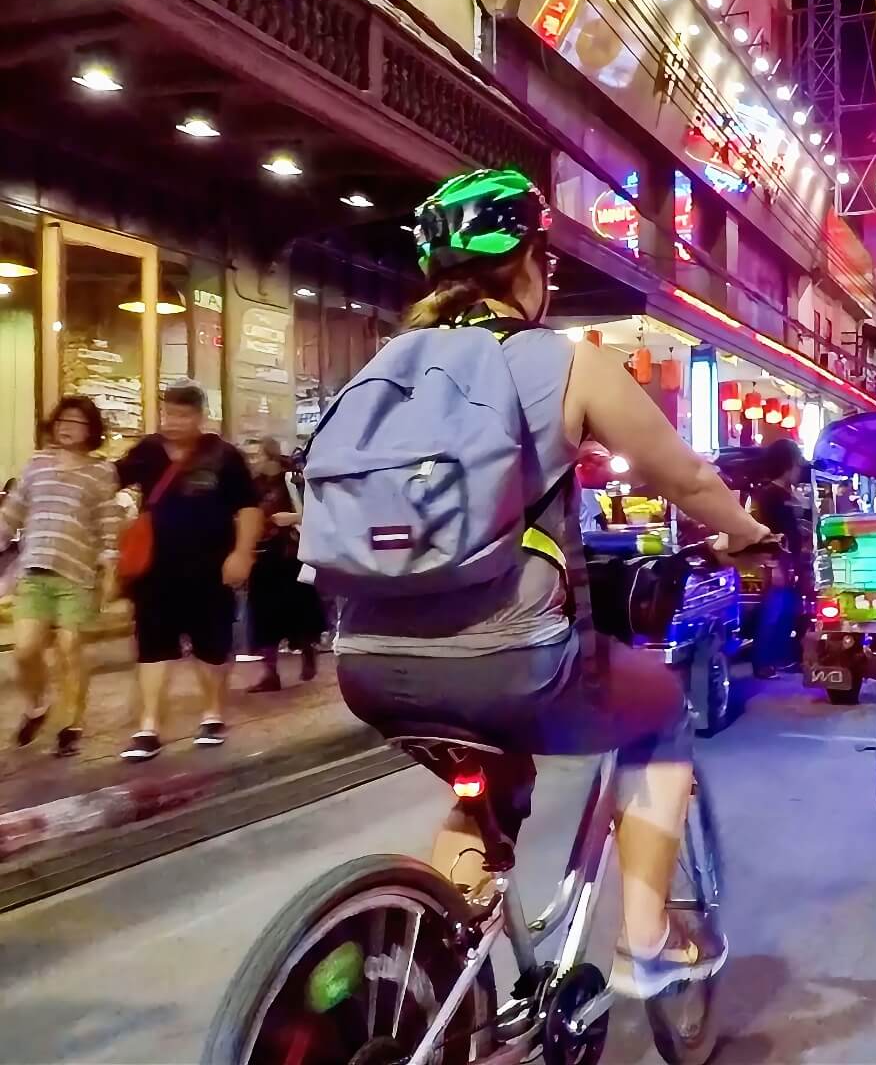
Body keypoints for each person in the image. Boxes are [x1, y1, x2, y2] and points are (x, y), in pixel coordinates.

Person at [329, 168, 771, 1000]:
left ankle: (435, 991)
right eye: (548, 262)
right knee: (661, 710)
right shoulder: (563, 363)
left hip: (365, 659)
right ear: (530, 261)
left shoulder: (380, 369)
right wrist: (748, 532)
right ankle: (646, 940)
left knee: (487, 790)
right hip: (509, 661)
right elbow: (686, 479)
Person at [115, 383, 261, 759]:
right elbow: (109, 480)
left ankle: (212, 714)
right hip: (155, 569)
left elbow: (247, 508)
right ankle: (148, 727)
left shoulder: (223, 455)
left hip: (210, 568)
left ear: (199, 417)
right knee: (151, 646)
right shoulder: (147, 451)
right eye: (168, 413)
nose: (173, 421)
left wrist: (241, 554)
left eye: (182, 415)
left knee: (211, 647)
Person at [0, 397, 122, 757]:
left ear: (92, 430)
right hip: (35, 569)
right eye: (62, 420)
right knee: (24, 650)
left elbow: (108, 524)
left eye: (78, 422)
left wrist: (110, 568)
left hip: (77, 574)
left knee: (70, 648)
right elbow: (12, 513)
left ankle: (72, 723)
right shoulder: (37, 463)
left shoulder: (100, 472)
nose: (68, 427)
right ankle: (37, 706)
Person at [241, 436, 325, 692]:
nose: (253, 461)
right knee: (263, 613)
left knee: (298, 609)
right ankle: (270, 672)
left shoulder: (295, 478)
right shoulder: (251, 486)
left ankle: (307, 648)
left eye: (257, 456)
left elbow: (322, 509)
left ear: (271, 456)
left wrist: (293, 517)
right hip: (263, 555)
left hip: (292, 554)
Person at [748, 438, 806, 679]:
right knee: (774, 611)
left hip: (789, 560)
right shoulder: (770, 495)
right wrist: (775, 564)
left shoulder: (784, 494)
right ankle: (763, 662)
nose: (799, 470)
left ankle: (781, 658)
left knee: (787, 611)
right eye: (797, 465)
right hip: (776, 559)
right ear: (787, 465)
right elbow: (769, 531)